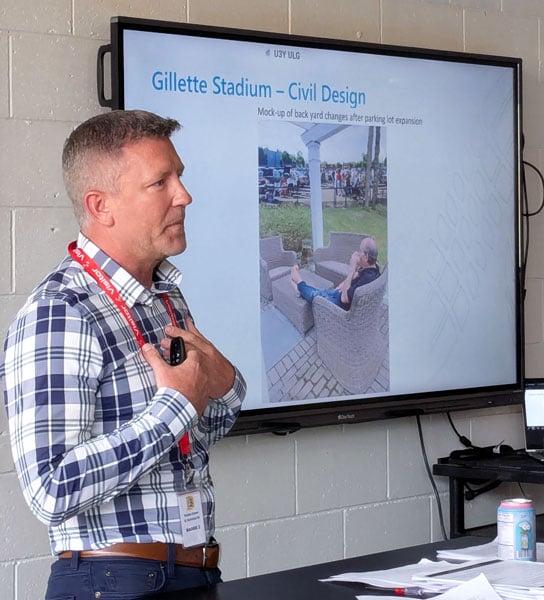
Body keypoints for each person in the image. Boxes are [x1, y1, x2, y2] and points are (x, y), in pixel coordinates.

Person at [1, 110, 246, 598]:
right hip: (112, 582)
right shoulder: (61, 311)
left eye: (180, 176)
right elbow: (50, 489)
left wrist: (225, 386)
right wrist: (174, 406)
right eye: (161, 182)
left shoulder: (163, 297)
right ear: (101, 205)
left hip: (192, 569)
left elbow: (198, 432)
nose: (184, 195)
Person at [290, 236, 380, 310]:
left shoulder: (367, 279)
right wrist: (342, 285)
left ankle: (298, 281)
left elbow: (344, 299)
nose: (357, 253)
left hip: (340, 306)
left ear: (366, 256)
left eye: (360, 251)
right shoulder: (373, 269)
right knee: (321, 291)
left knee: (315, 296)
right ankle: (300, 290)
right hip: (341, 293)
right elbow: (356, 275)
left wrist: (352, 268)